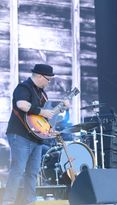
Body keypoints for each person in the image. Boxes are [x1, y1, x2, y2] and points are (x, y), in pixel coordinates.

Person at [2, 64, 61, 205]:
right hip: (20, 135)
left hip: (36, 137)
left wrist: (49, 128)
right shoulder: (24, 87)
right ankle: (8, 202)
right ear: (40, 76)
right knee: (18, 170)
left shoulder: (42, 94)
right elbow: (21, 104)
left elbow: (41, 119)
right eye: (48, 79)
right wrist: (42, 112)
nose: (49, 82)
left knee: (33, 172)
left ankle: (29, 202)